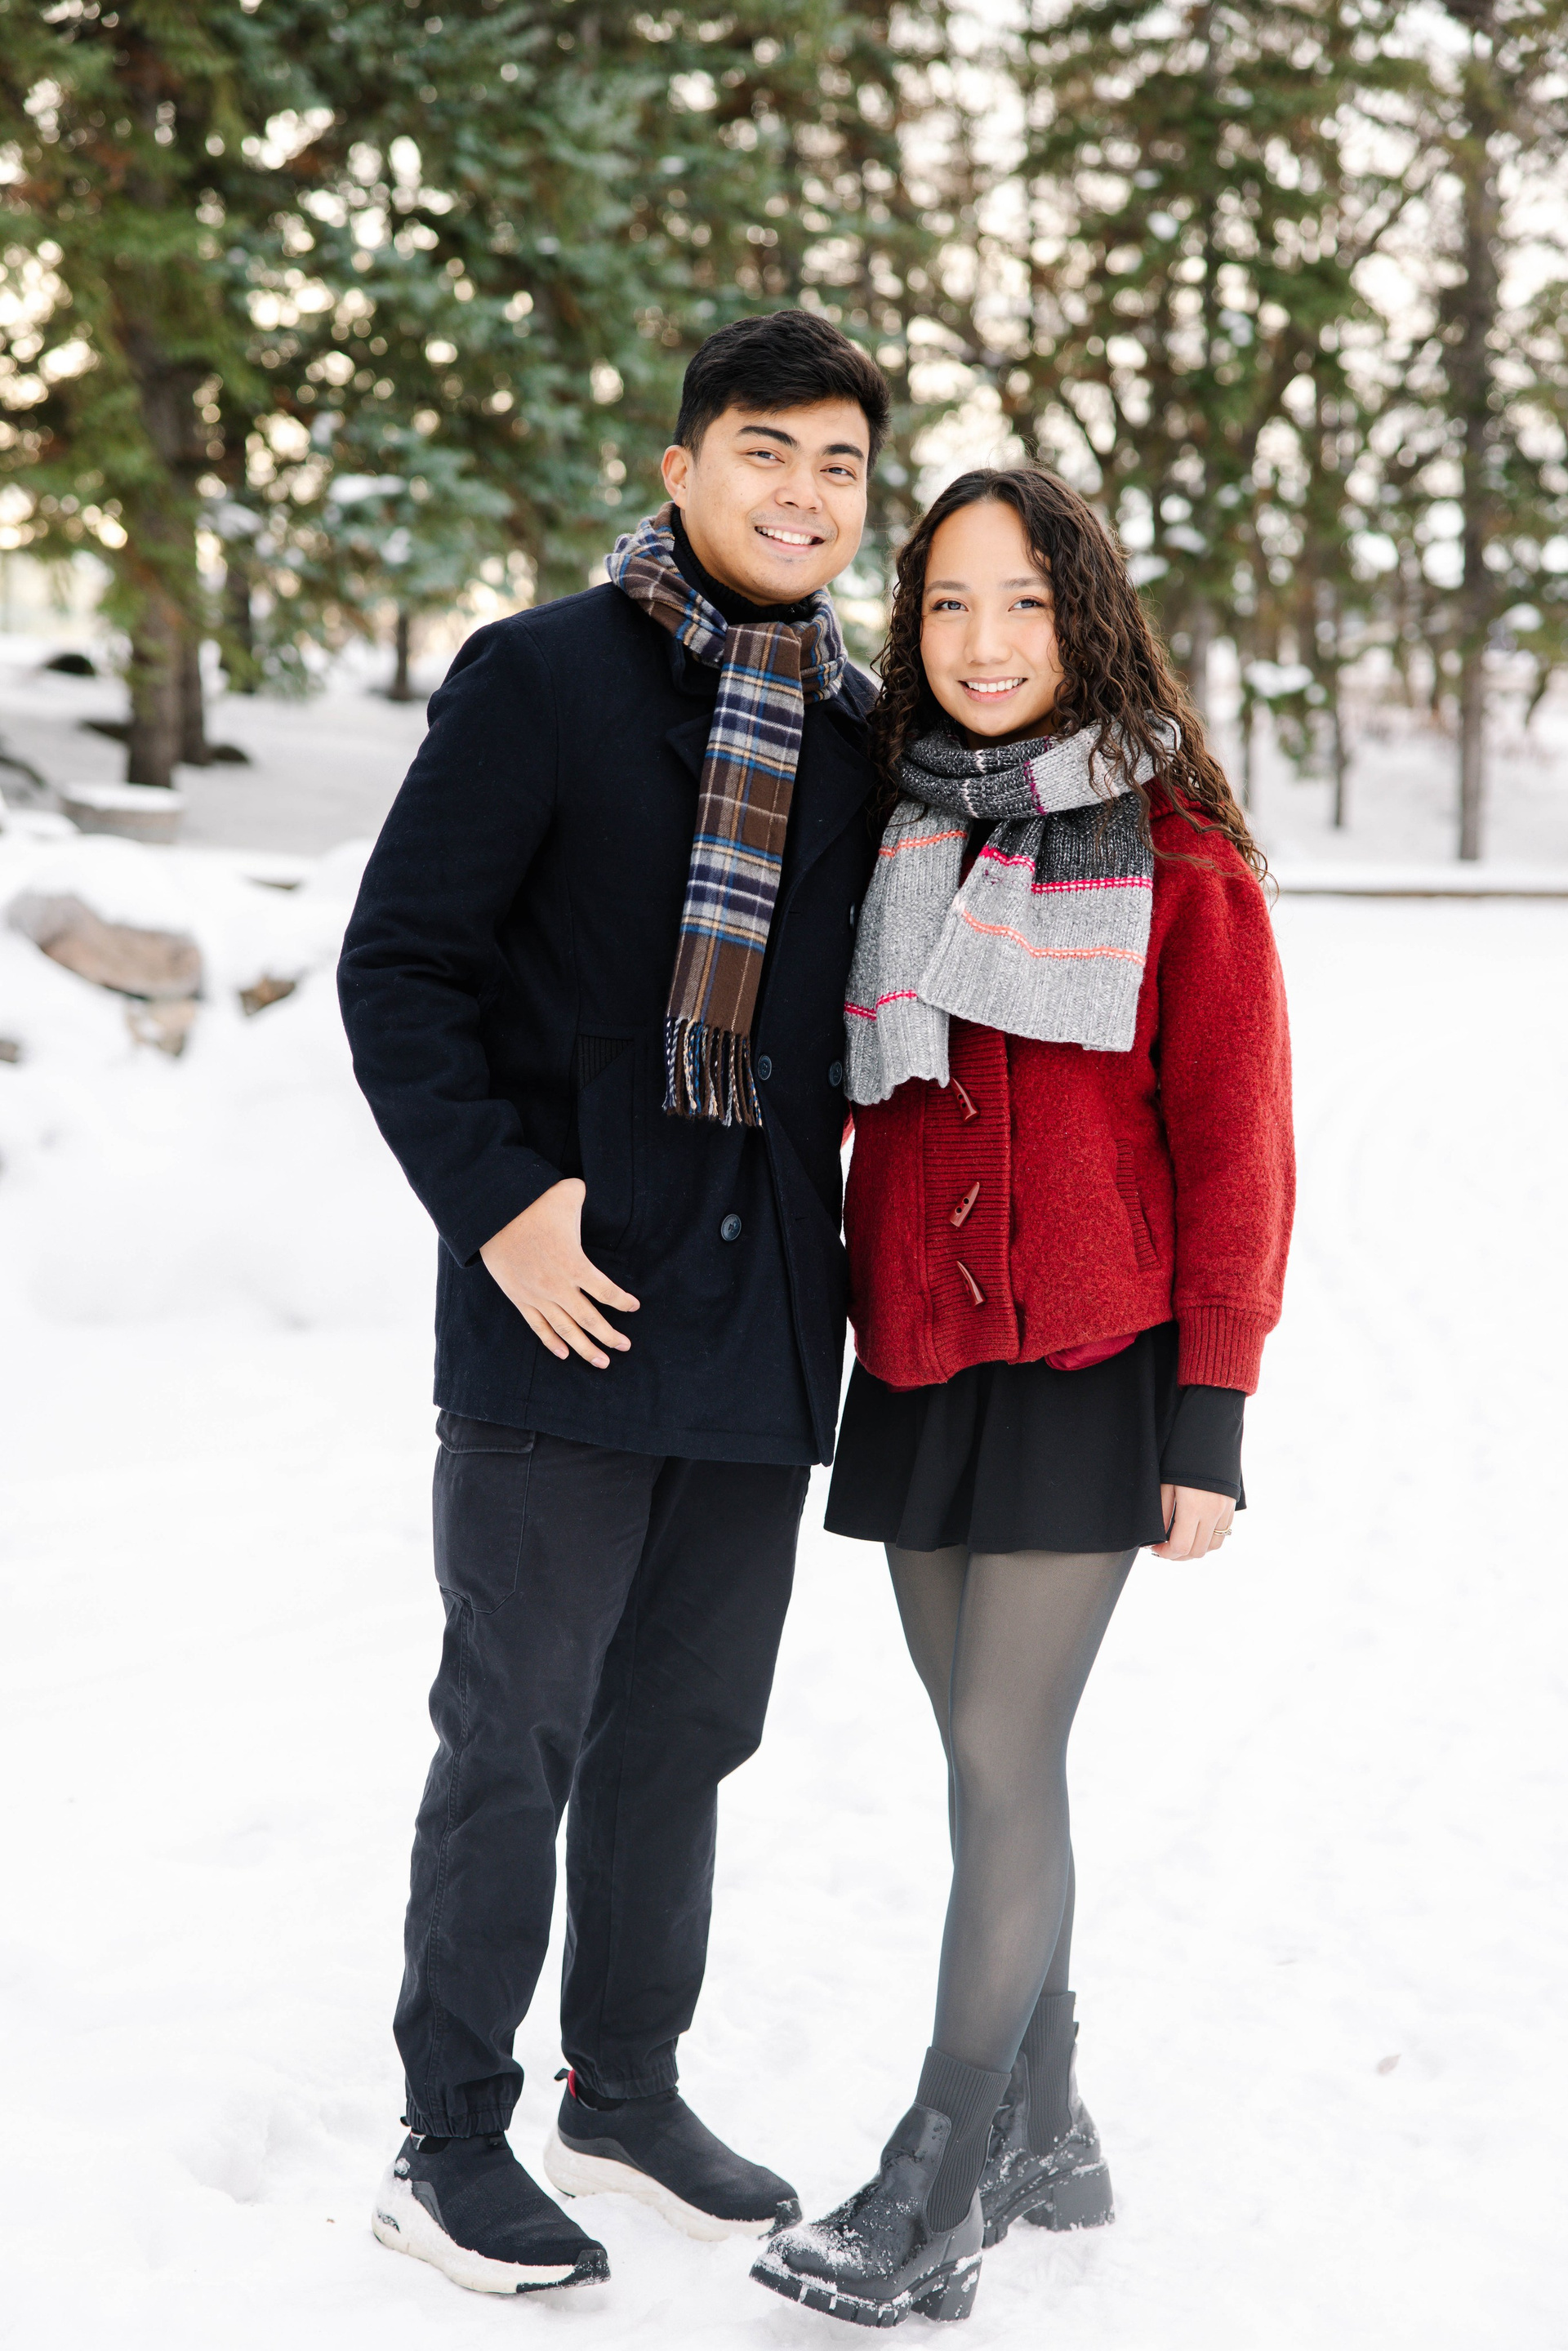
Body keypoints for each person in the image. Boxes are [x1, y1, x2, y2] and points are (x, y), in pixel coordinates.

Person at [337, 309, 891, 2299]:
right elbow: (400, 966)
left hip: (760, 1316)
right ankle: (446, 2137)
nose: (803, 494)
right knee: (520, 1731)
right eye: (765, 451)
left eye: (839, 465)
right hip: (565, 1304)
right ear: (681, 467)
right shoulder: (545, 676)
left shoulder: (865, 731)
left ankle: (625, 2088)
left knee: (686, 1733)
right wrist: (501, 1211)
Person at [751, 466, 1294, 2328]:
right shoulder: (890, 834)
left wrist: (1210, 1412)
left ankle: (936, 2178)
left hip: (1090, 1359)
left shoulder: (1184, 862)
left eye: (1025, 605)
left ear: (1089, 618)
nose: (984, 644)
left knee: (1000, 1757)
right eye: (949, 605)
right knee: (994, 1770)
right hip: (916, 1355)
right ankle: (1049, 2130)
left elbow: (1241, 1154)